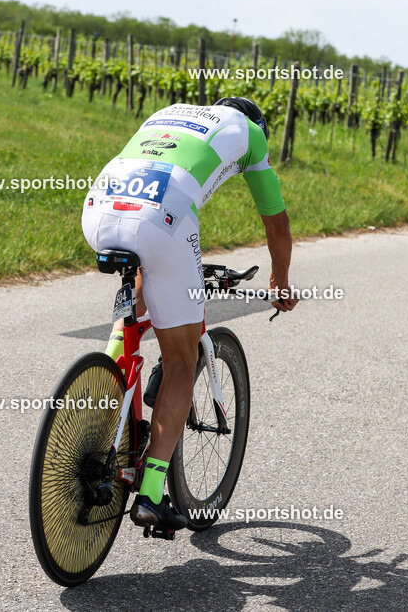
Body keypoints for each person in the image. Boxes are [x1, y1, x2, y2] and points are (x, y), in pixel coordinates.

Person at [82, 97, 298, 531]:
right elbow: (277, 224)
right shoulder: (251, 134)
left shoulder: (169, 112)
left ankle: (111, 362)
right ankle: (151, 494)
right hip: (162, 216)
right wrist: (280, 280)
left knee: (145, 270)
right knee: (182, 361)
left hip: (100, 208)